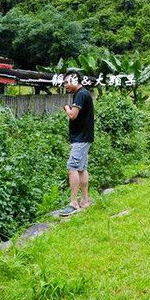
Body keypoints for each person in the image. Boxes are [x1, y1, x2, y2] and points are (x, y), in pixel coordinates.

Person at [61, 71, 94, 216]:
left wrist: (67, 108)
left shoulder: (80, 94)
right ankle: (84, 201)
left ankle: (73, 203)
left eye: (68, 82)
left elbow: (73, 115)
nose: (66, 85)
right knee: (81, 168)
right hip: (84, 136)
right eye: (65, 82)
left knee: (72, 167)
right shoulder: (84, 93)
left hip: (80, 138)